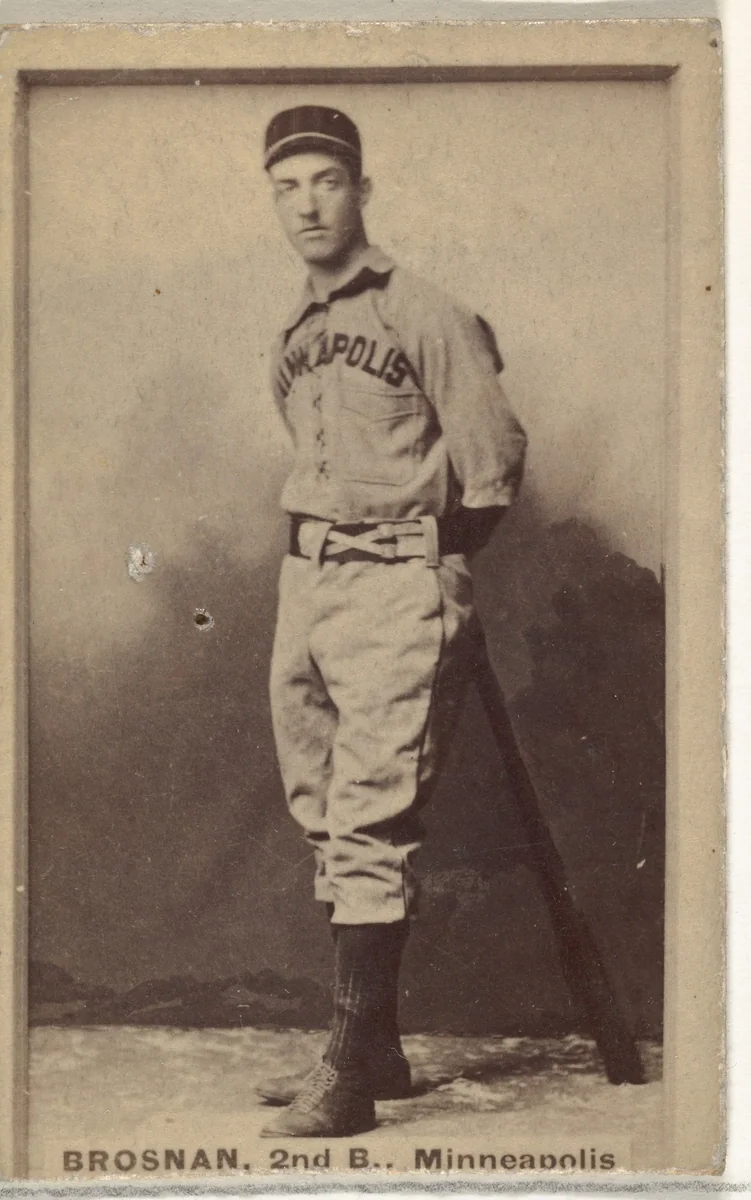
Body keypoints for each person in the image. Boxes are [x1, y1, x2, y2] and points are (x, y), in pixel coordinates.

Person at [257, 105, 527, 1138]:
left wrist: (424, 579)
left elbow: (492, 471)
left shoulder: (425, 311)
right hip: (309, 585)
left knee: (369, 815)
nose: (307, 203)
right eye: (287, 186)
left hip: (395, 585)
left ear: (362, 190)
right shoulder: (295, 327)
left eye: (326, 180)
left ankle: (347, 1079)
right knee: (322, 804)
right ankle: (375, 1046)